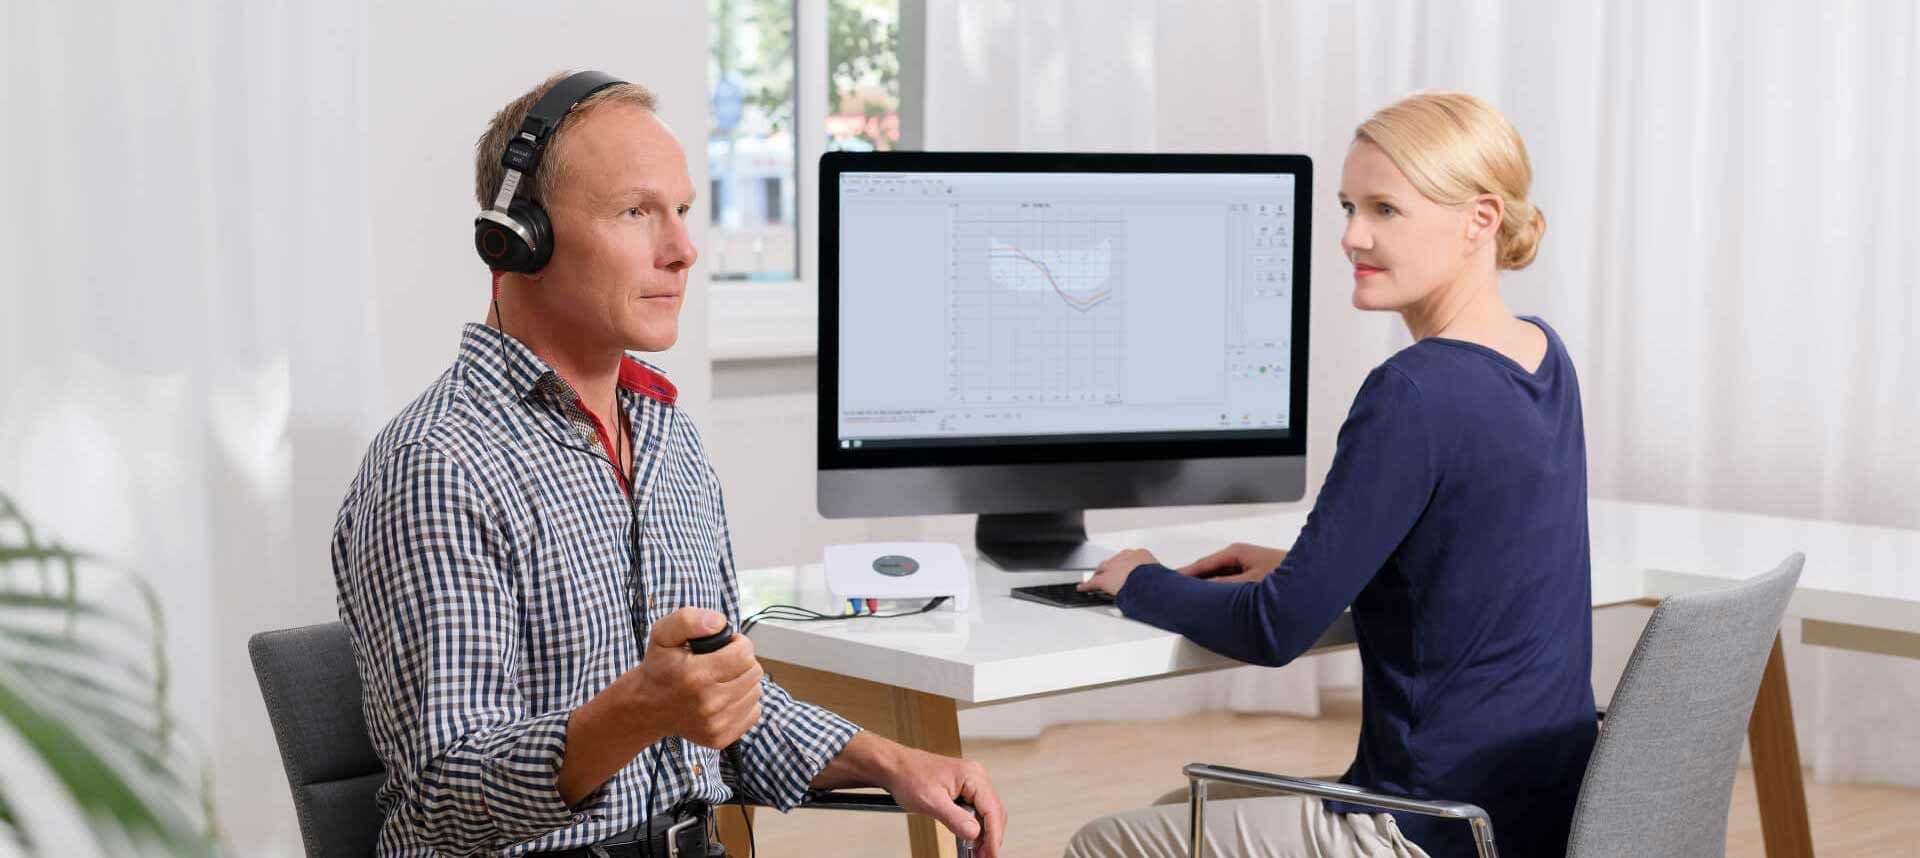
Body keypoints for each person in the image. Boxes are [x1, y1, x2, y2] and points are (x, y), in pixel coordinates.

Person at [332, 70, 1005, 857]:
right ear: (517, 237)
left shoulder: (665, 437)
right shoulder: (438, 466)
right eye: (635, 212)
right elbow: (445, 794)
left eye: (682, 212)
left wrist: (888, 759)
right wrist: (640, 710)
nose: (683, 251)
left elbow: (727, 711)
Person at [1066, 91, 1594, 858]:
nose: (1351, 236)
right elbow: (1475, 557)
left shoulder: (1413, 390)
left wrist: (1139, 578)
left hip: (1423, 828)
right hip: (1530, 820)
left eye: (1385, 210)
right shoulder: (1542, 357)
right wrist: (1307, 569)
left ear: (1481, 220)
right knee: (1175, 812)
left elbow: (1275, 629)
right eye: (1348, 206)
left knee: (1103, 843)